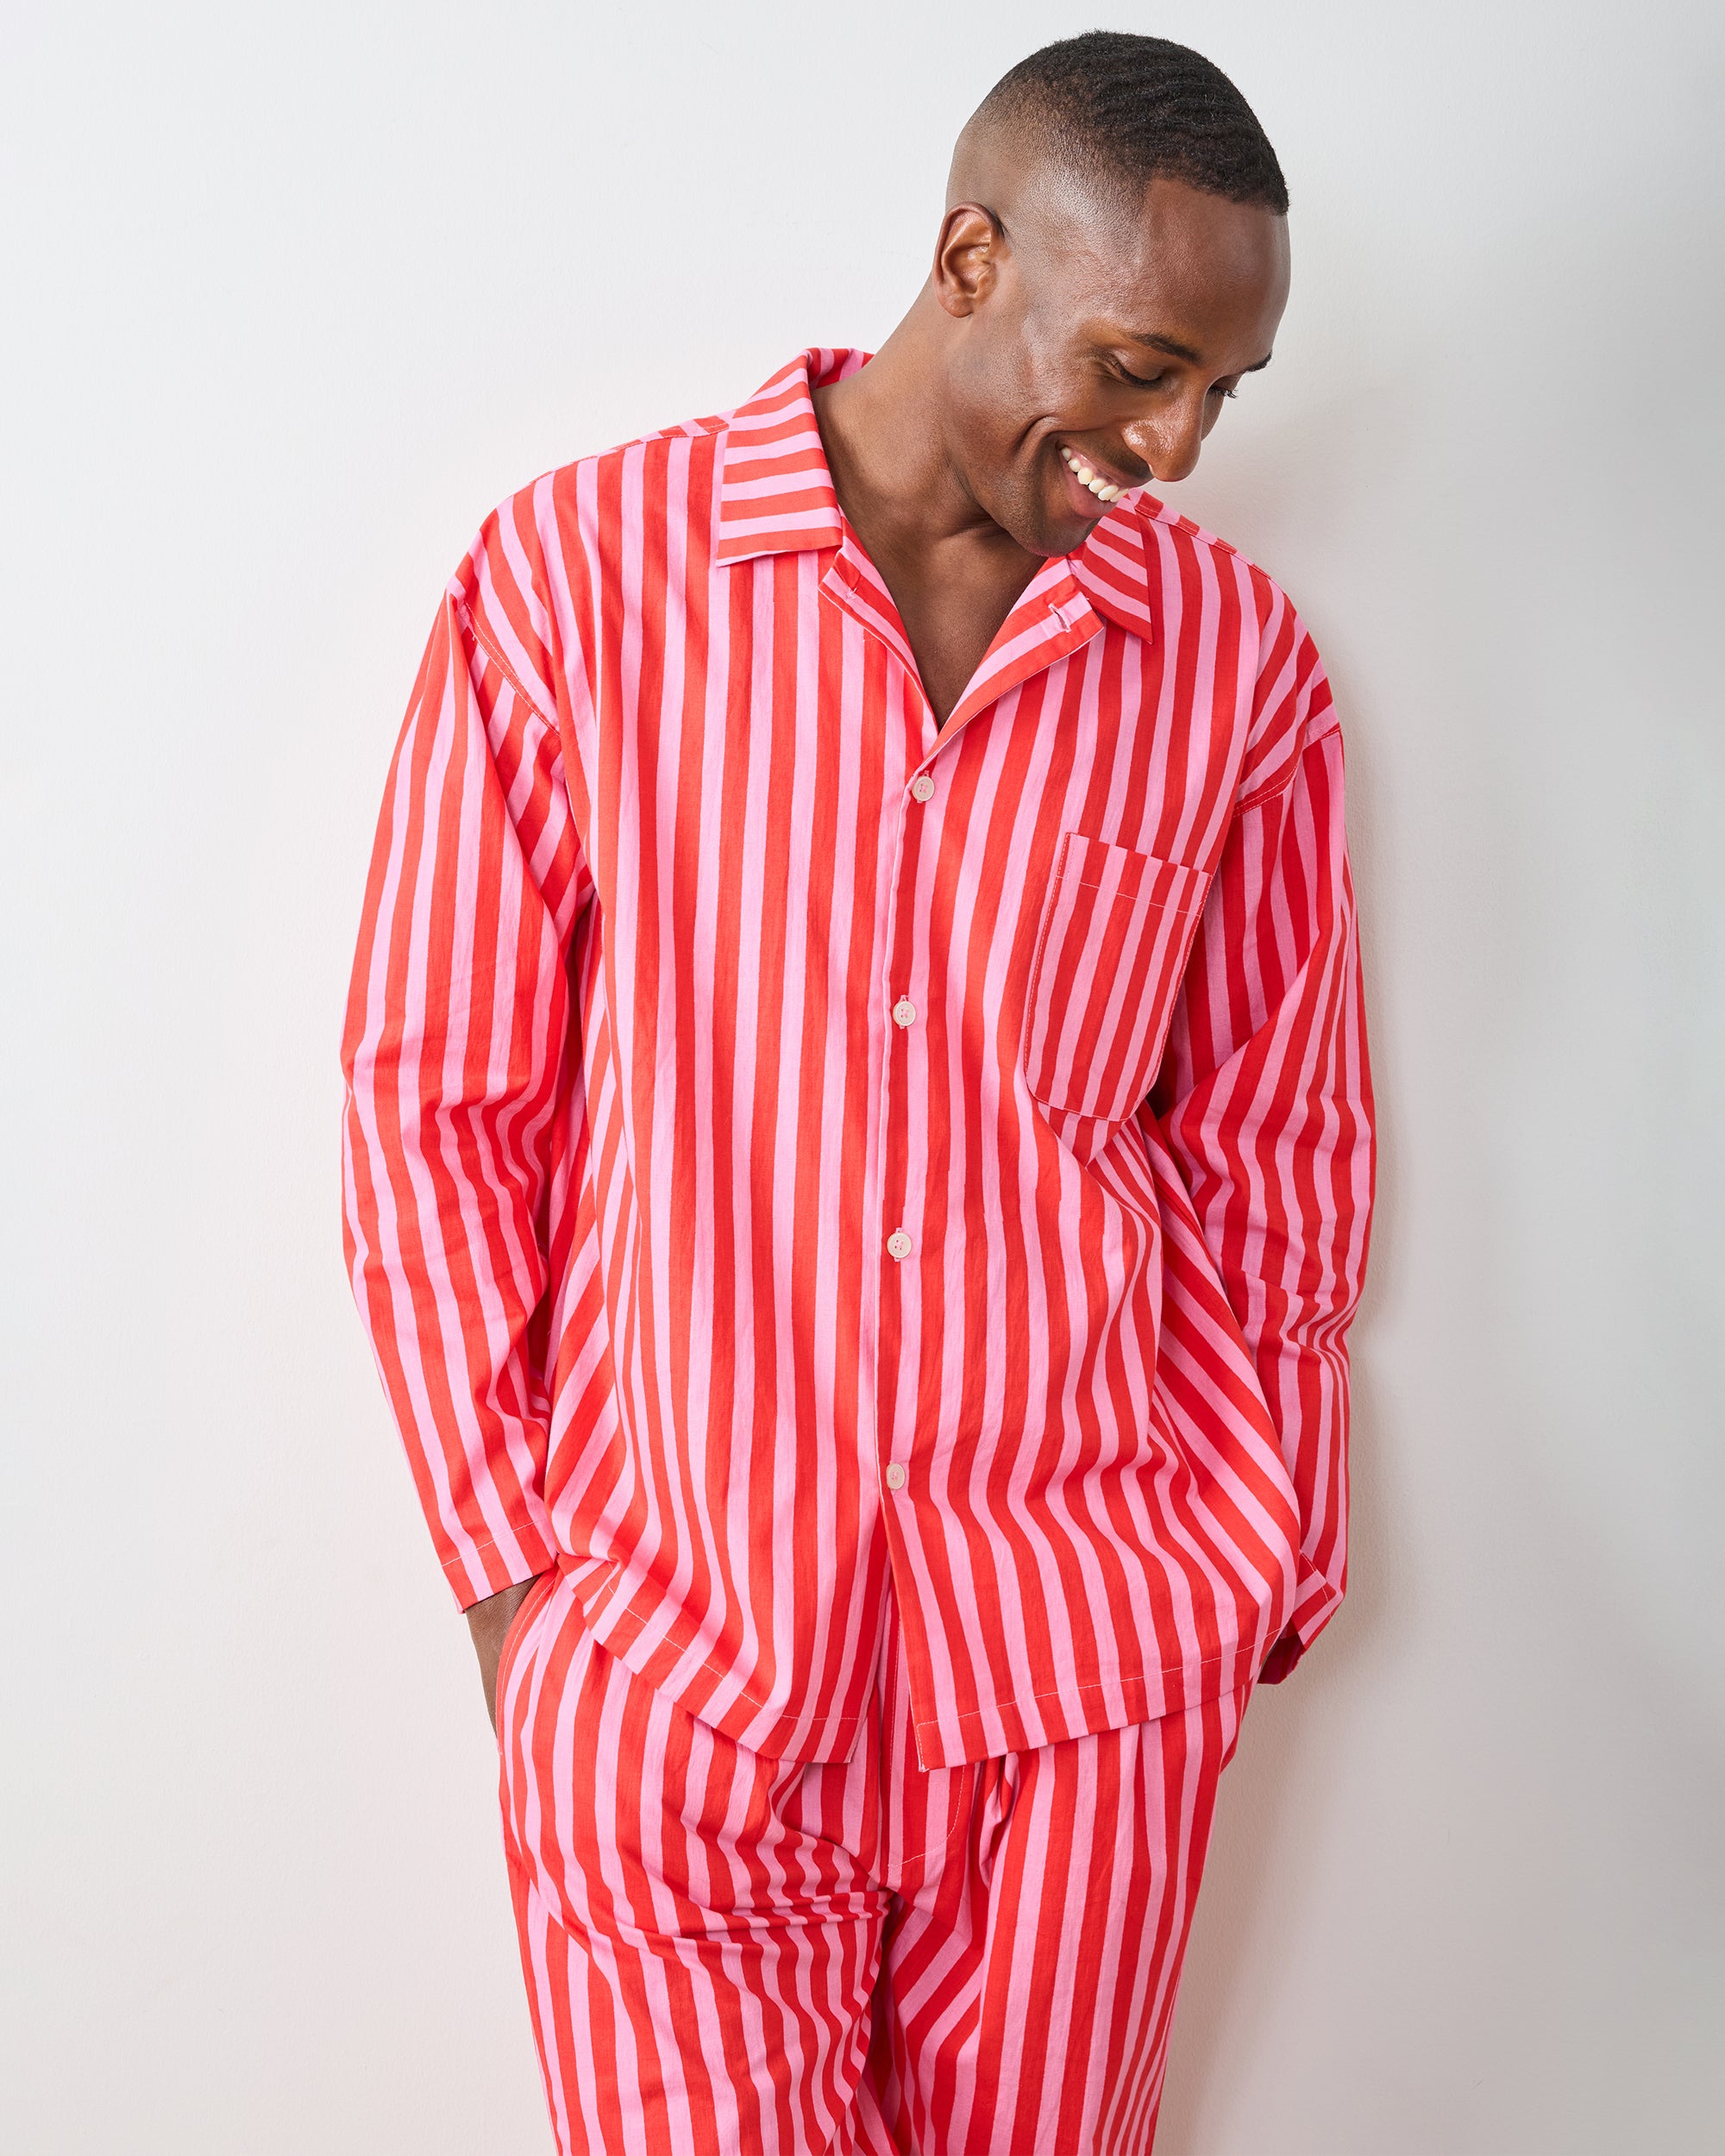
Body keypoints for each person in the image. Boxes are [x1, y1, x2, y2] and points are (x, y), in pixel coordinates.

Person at [340, 28, 1375, 2153]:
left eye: (1222, 393)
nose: (1177, 445)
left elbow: (1276, 1149)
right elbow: (435, 1105)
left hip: (1083, 1679)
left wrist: (1247, 1561)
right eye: (1140, 366)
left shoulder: (1236, 673)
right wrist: (525, 1599)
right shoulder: (579, 579)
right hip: (683, 1669)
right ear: (971, 257)